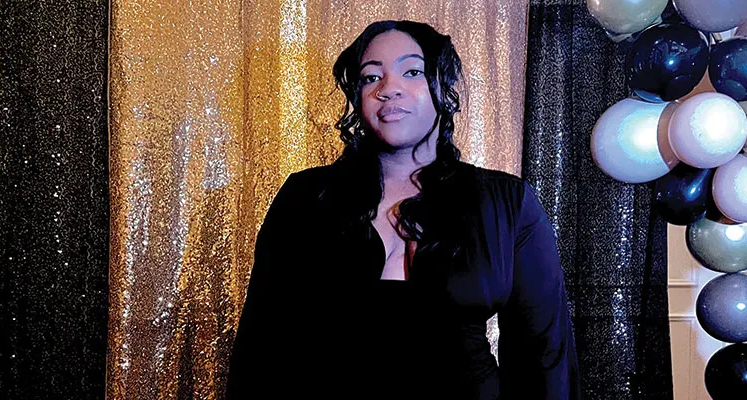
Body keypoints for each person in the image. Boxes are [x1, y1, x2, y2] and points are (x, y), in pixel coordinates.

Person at [226, 20, 580, 400]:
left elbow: (545, 358)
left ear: (442, 88)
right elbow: (259, 349)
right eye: (370, 77)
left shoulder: (508, 202)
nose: (387, 88)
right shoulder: (304, 197)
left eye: (412, 71)